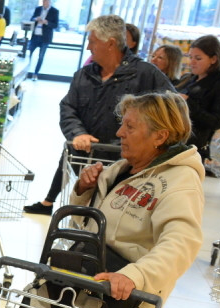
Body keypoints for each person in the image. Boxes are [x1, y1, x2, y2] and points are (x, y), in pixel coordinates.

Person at [70, 91, 203, 308]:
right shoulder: (122, 169)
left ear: (160, 137)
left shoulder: (182, 182)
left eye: (130, 127)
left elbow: (181, 244)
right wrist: (83, 188)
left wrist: (136, 275)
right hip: (88, 284)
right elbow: (87, 219)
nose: (119, 133)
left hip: (125, 305)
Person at [23, 15, 173, 216]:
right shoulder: (84, 75)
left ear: (110, 43)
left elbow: (172, 110)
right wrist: (77, 133)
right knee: (86, 215)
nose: (88, 47)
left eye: (92, 42)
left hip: (127, 166)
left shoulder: (146, 74)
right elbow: (68, 107)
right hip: (84, 161)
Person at [175, 35, 220, 165]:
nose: (192, 62)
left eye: (198, 58)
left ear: (213, 59)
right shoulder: (188, 79)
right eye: (190, 57)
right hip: (173, 143)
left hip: (193, 150)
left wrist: (188, 103)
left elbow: (216, 122)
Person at [26, 0, 58, 80]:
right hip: (35, 36)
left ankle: (35, 74)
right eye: (43, 1)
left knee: (40, 57)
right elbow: (31, 19)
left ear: (50, 2)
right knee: (28, 54)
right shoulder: (38, 9)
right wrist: (36, 19)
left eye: (46, 2)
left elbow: (55, 25)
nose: (45, 3)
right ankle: (25, 72)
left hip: (45, 38)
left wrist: (46, 22)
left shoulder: (54, 11)